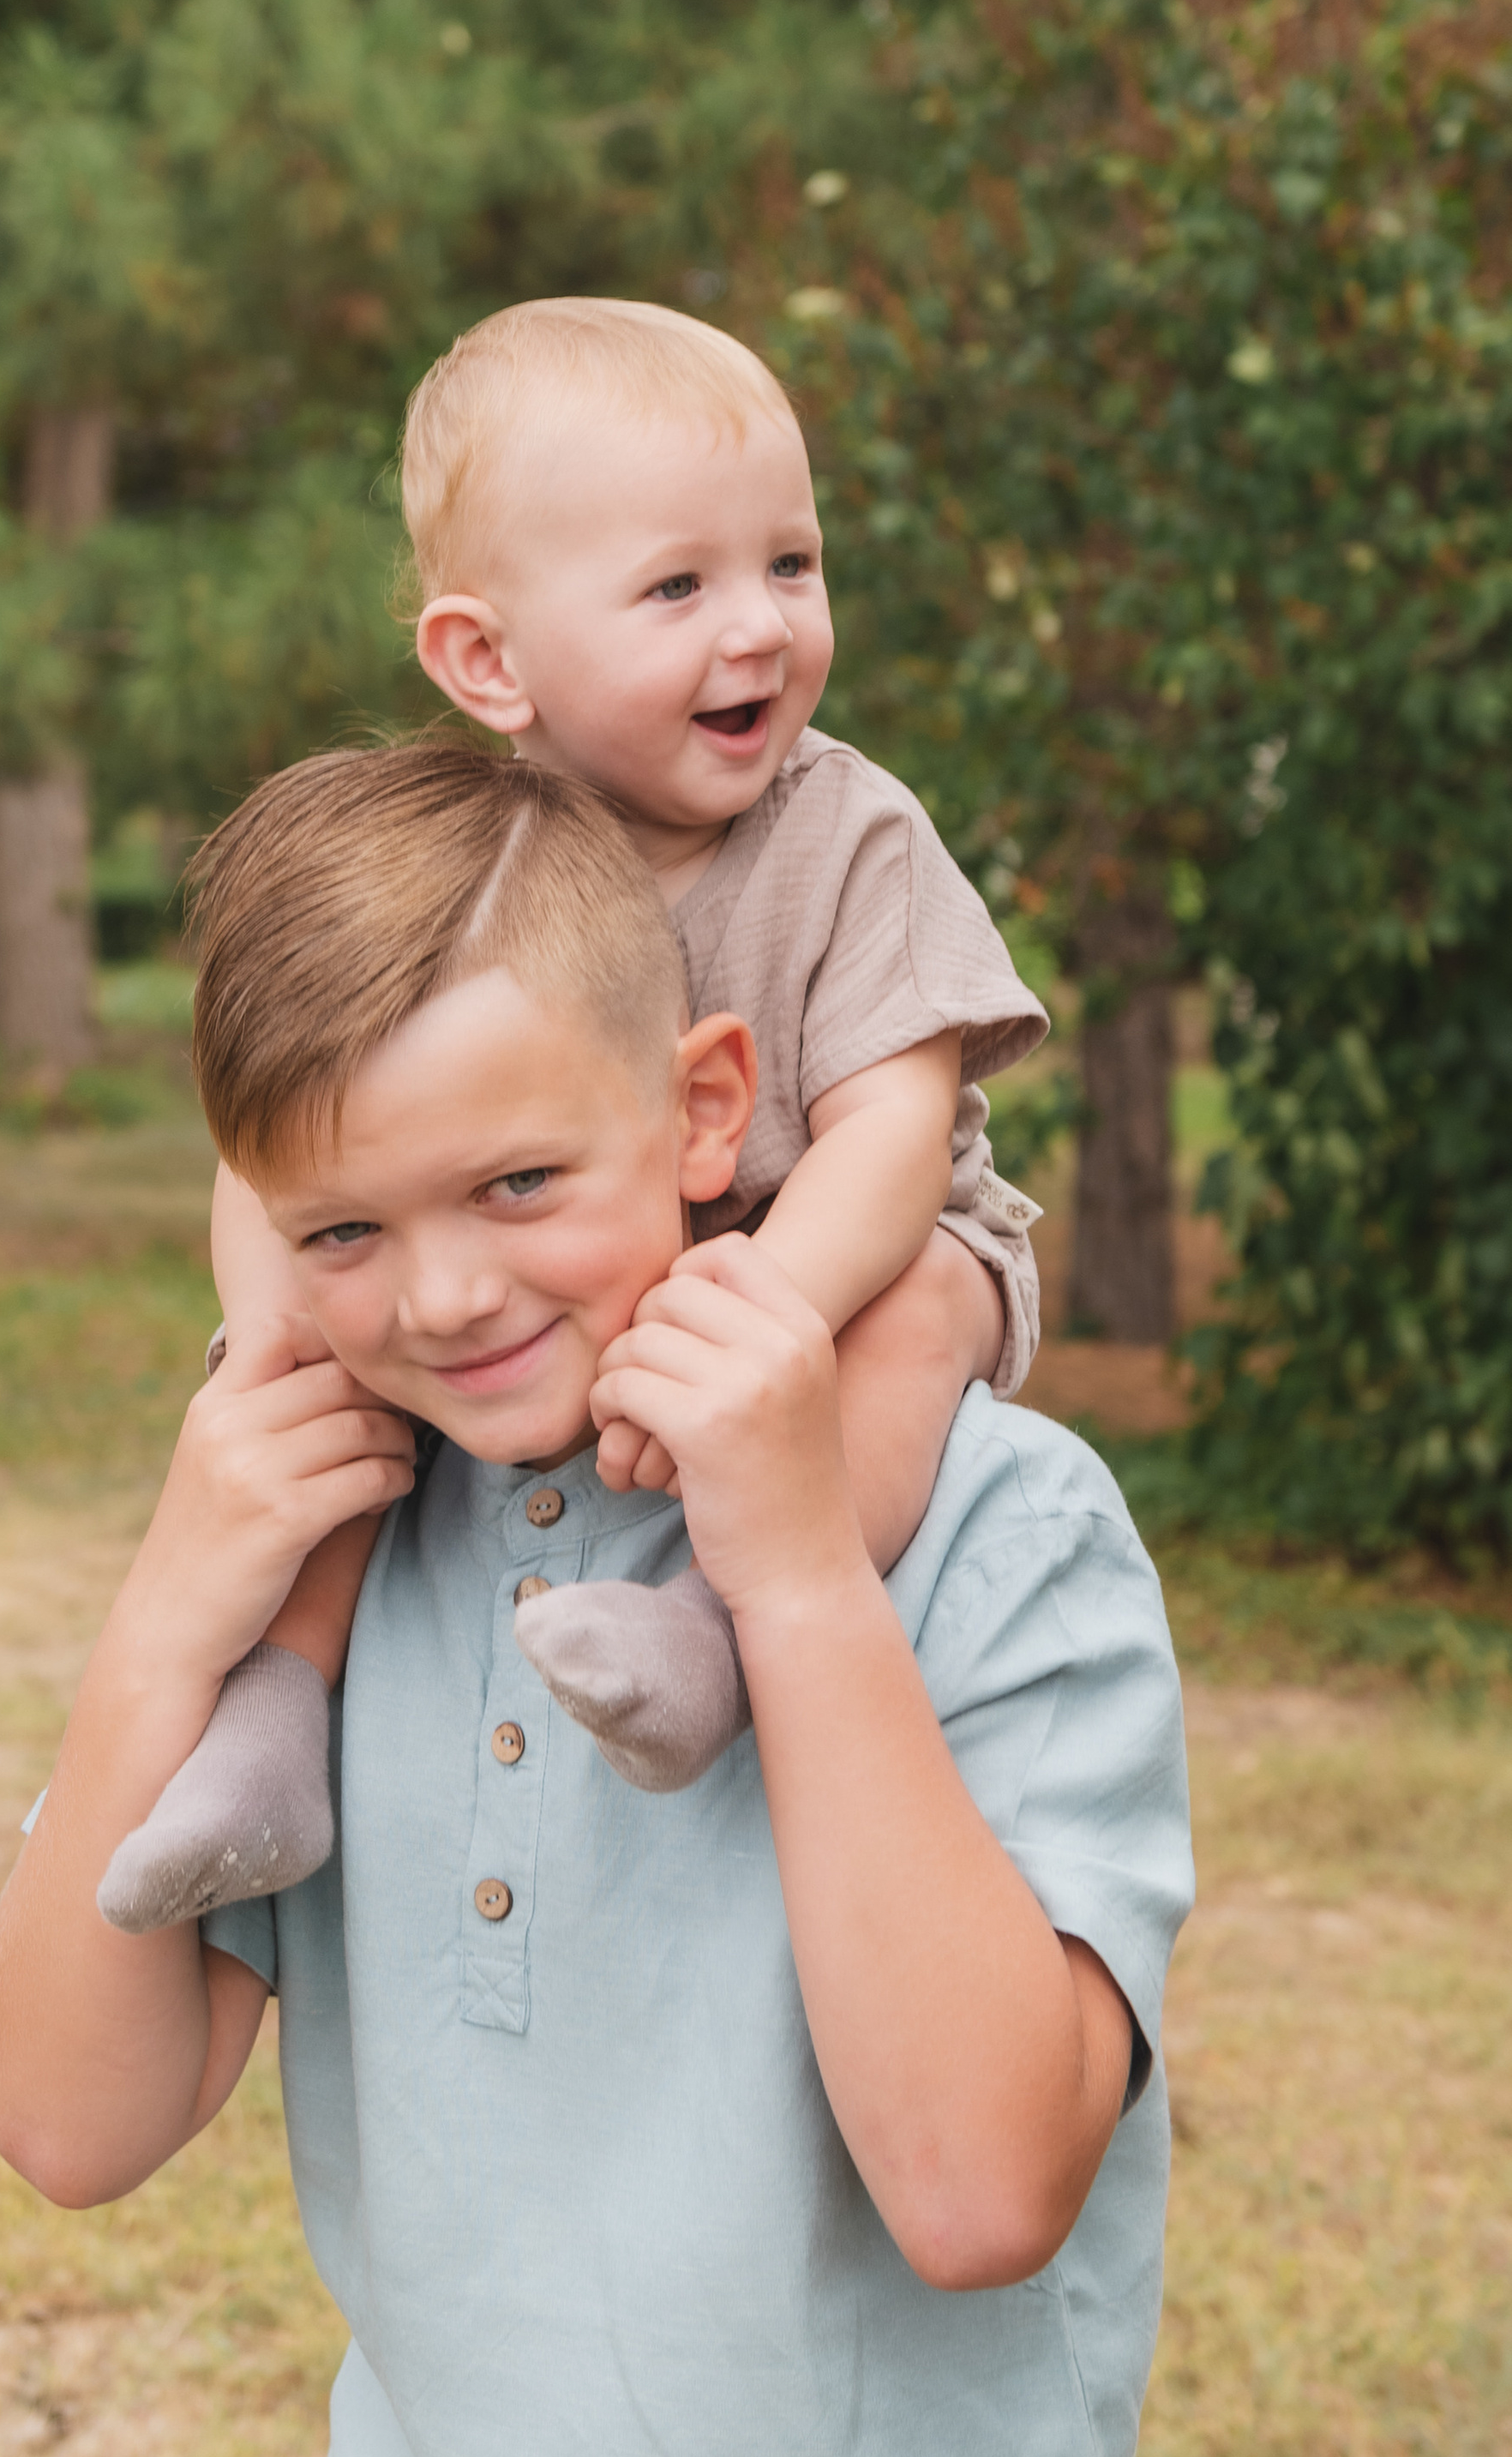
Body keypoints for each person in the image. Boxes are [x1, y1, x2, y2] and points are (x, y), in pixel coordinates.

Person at [0, 740, 1194, 2457]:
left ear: (708, 1107)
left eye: (517, 1187)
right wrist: (168, 1616)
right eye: (341, 1229)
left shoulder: (996, 1533)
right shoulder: (339, 1575)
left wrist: (796, 1577)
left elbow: (983, 2191)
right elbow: (71, 2128)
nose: (441, 1298)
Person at [99, 298, 1048, 1936]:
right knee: (348, 1402)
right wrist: (278, 1347)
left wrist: (751, 1317)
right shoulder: (453, 867)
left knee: (914, 1327)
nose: (757, 629)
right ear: (489, 659)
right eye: (679, 586)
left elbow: (896, 1129)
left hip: (838, 1246)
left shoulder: (850, 831)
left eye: (792, 566)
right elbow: (281, 1141)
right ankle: (273, 1724)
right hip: (541, 1257)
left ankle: (710, 1633)